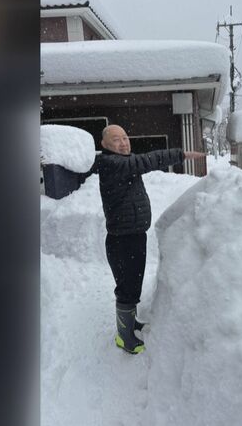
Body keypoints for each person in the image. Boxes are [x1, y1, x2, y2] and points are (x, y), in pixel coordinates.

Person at [93, 124, 205, 354]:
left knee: (133, 285)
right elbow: (146, 161)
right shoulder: (112, 164)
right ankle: (124, 338)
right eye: (116, 139)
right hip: (122, 240)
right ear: (104, 145)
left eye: (125, 137)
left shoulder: (123, 163)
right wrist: (180, 154)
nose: (123, 142)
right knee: (127, 289)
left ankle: (131, 323)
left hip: (133, 236)